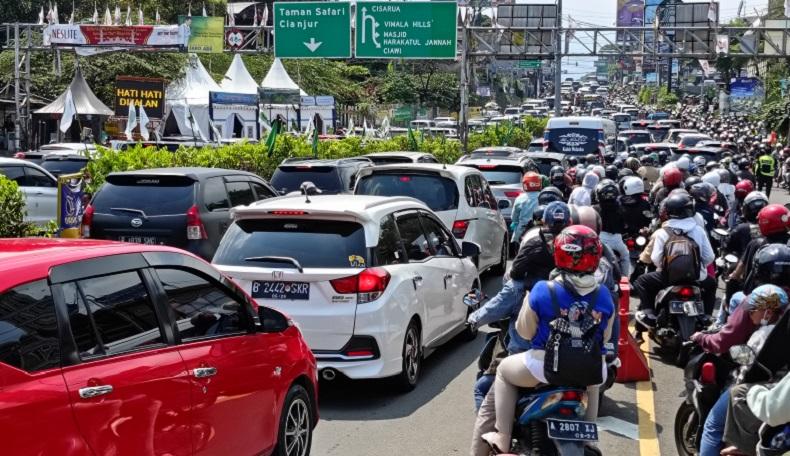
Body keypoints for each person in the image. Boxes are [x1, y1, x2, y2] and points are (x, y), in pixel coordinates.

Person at [480, 225, 615, 453]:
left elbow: (524, 332)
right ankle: (589, 439)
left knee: (503, 371)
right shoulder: (603, 294)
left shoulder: (543, 289)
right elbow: (606, 336)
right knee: (593, 378)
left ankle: (502, 436)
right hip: (590, 369)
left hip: (543, 367)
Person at [693, 284, 789, 456]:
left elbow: (741, 360)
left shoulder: (762, 335)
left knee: (712, 426)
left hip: (756, 390)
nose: (749, 313)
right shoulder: (782, 331)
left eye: (753, 310)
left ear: (767, 312)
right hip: (777, 388)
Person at [634, 191, 716, 327]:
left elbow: (655, 259)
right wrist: (696, 268)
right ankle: (707, 317)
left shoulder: (661, 232)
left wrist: (667, 268)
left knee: (641, 281)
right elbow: (709, 257)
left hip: (667, 278)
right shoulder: (698, 230)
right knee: (712, 284)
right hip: (696, 278)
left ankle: (648, 314)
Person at [593, 179, 631, 276]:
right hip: (617, 240)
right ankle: (626, 279)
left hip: (600, 239)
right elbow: (625, 226)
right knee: (626, 256)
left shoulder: (594, 209)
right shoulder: (621, 208)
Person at [510, 172, 542, 246]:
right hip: (539, 227)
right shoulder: (542, 195)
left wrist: (514, 223)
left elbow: (514, 217)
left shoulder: (520, 198)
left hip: (522, 229)